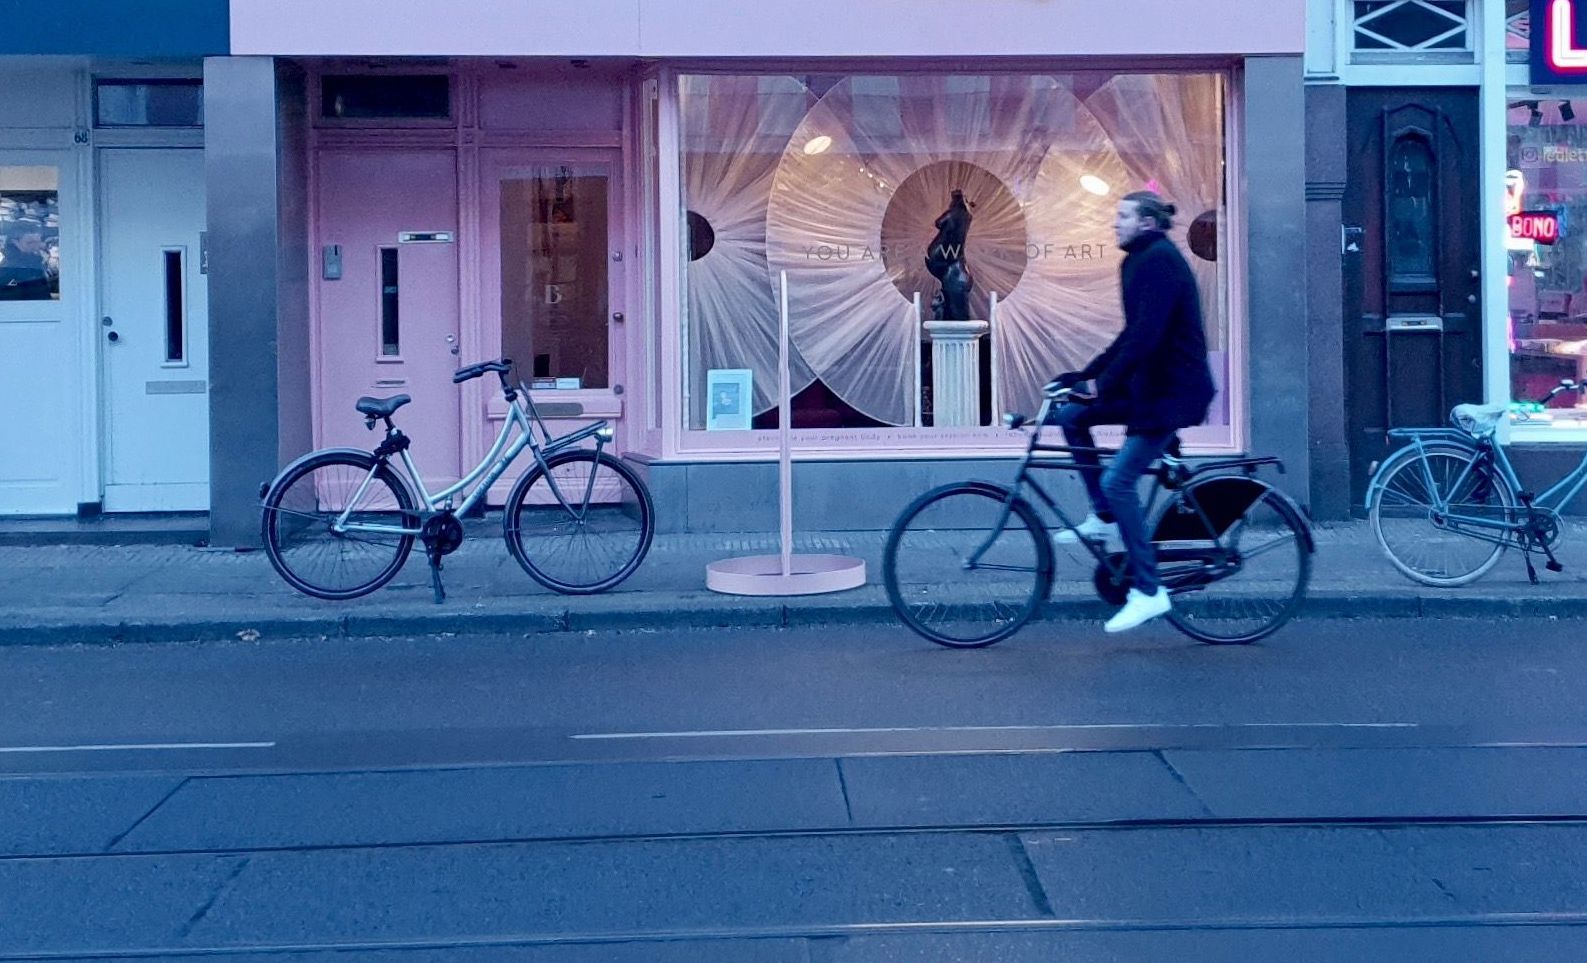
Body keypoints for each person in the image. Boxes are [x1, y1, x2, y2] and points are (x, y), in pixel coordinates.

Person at [1047, 191, 1215, 633]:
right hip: (1149, 389)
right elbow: (1130, 335)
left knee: (1119, 480)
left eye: (1121, 216)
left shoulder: (1158, 261)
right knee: (1070, 417)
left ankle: (1148, 590)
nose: (1113, 223)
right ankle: (1102, 518)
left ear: (1146, 223)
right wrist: (1080, 377)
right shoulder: (1137, 261)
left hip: (1170, 395)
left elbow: (1147, 338)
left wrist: (1099, 385)